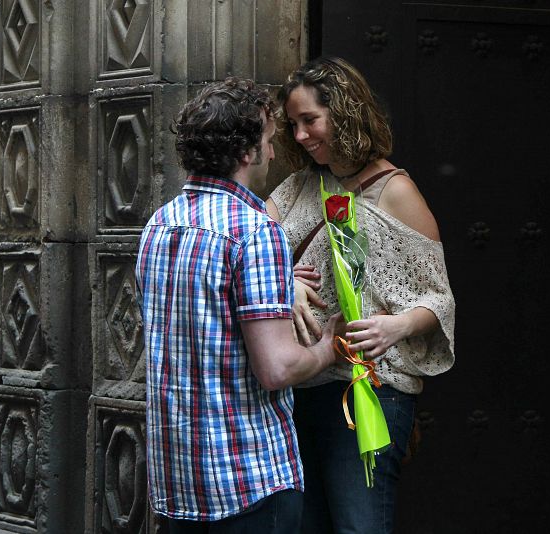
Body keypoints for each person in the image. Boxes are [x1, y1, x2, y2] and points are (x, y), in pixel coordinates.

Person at [136, 77, 341, 534]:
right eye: (269, 142)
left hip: (178, 482)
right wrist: (330, 346)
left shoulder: (159, 224)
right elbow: (278, 368)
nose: (273, 153)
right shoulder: (254, 231)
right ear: (246, 152)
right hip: (248, 481)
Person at [266, 57, 456, 533]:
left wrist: (397, 326)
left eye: (311, 120)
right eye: (293, 125)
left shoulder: (396, 191)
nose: (302, 135)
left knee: (358, 527)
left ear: (346, 112)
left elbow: (440, 299)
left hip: (369, 389)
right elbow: (246, 253)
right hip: (300, 388)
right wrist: (282, 282)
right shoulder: (298, 187)